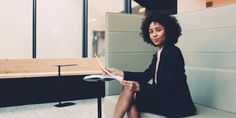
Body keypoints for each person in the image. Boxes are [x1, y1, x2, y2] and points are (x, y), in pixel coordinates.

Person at [103, 11, 197, 118]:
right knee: (129, 92)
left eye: (158, 30)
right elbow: (146, 75)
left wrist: (139, 86)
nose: (154, 35)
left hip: (176, 103)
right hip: (163, 97)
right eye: (151, 31)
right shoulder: (159, 53)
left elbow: (168, 86)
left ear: (168, 31)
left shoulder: (173, 52)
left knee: (130, 93)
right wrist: (119, 72)